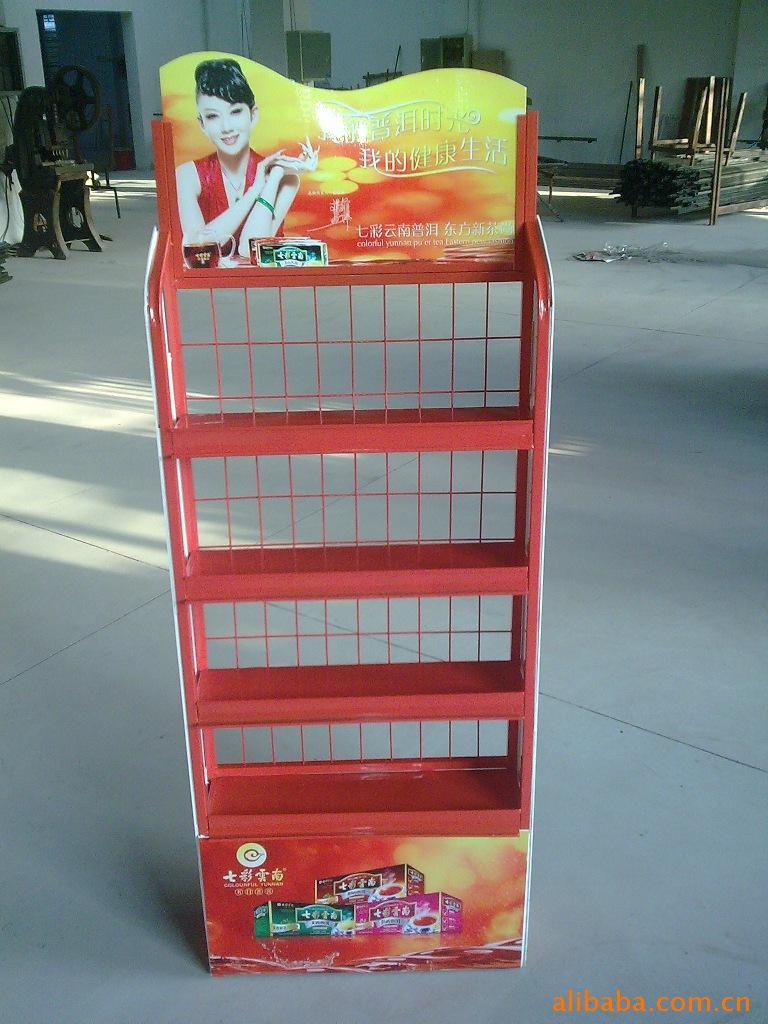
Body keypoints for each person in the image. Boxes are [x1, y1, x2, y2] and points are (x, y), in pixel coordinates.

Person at [176, 58, 316, 258]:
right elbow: (199, 249)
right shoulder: (187, 174)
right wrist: (255, 189)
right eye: (213, 116)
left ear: (253, 114)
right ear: (202, 125)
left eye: (235, 112)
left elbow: (250, 250)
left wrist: (274, 177)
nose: (226, 127)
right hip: (208, 278)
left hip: (263, 279)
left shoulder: (285, 180)